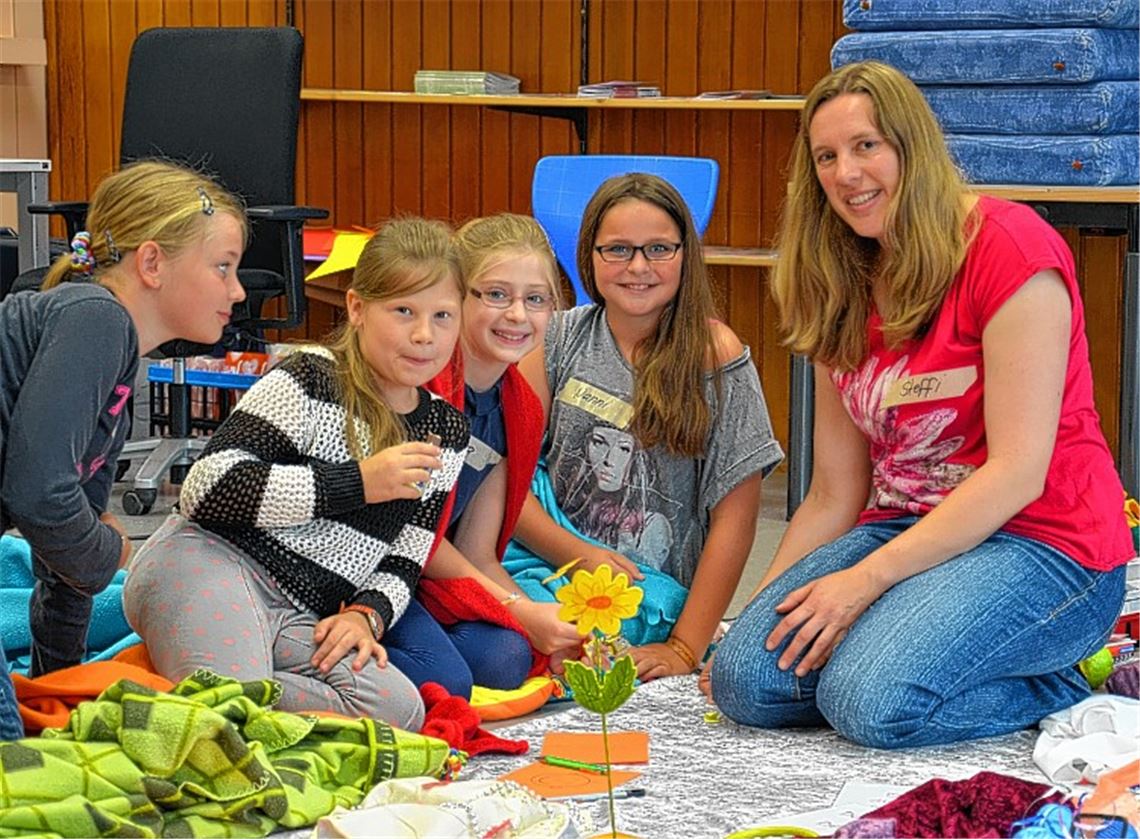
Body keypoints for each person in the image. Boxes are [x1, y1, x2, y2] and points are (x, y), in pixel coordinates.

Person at [708, 61, 1132, 749]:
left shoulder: (1010, 248)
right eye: (826, 156)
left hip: (1046, 545)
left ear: (912, 146)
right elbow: (832, 491)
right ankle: (914, 647)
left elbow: (1019, 471)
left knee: (869, 701)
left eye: (866, 145)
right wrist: (760, 615)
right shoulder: (834, 278)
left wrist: (864, 584)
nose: (847, 173)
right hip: (910, 529)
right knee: (747, 680)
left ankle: (1061, 677)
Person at [123, 218, 470, 730]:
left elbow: (407, 555)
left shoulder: (446, 429)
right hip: (211, 562)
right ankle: (215, 677)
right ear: (356, 308)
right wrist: (358, 482)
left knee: (400, 708)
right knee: (231, 708)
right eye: (403, 311)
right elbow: (207, 489)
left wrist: (364, 615)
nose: (424, 335)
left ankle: (210, 678)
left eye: (443, 316)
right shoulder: (308, 377)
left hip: (295, 611)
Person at [0, 160, 248, 742]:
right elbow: (40, 498)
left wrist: (57, 685)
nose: (237, 290)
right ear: (153, 263)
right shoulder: (96, 319)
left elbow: (66, 547)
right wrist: (112, 550)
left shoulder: (114, 349)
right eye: (222, 267)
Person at [507, 173, 785, 682]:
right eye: (617, 249)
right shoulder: (559, 338)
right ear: (589, 255)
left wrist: (684, 646)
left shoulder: (715, 355)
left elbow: (736, 519)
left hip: (654, 602)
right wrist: (579, 555)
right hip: (553, 570)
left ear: (686, 255)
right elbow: (507, 482)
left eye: (658, 248)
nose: (638, 266)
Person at [414, 213, 583, 697]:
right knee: (449, 677)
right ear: (456, 298)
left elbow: (477, 552)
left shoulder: (518, 409)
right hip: (378, 565)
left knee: (507, 658)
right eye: (496, 295)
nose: (517, 316)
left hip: (438, 574)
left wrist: (535, 619)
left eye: (536, 300)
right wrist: (518, 607)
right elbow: (417, 537)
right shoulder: (425, 390)